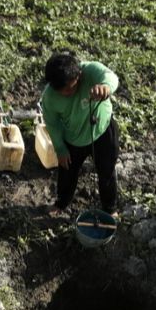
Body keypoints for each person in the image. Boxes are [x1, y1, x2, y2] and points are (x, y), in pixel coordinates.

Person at [40, 52, 120, 217]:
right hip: (73, 138)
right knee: (67, 172)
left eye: (71, 87)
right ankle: (61, 203)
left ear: (79, 75)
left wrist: (106, 87)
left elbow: (111, 77)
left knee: (106, 171)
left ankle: (110, 209)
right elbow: (52, 124)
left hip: (102, 130)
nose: (66, 93)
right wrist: (60, 148)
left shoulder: (91, 70)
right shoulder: (49, 97)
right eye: (61, 91)